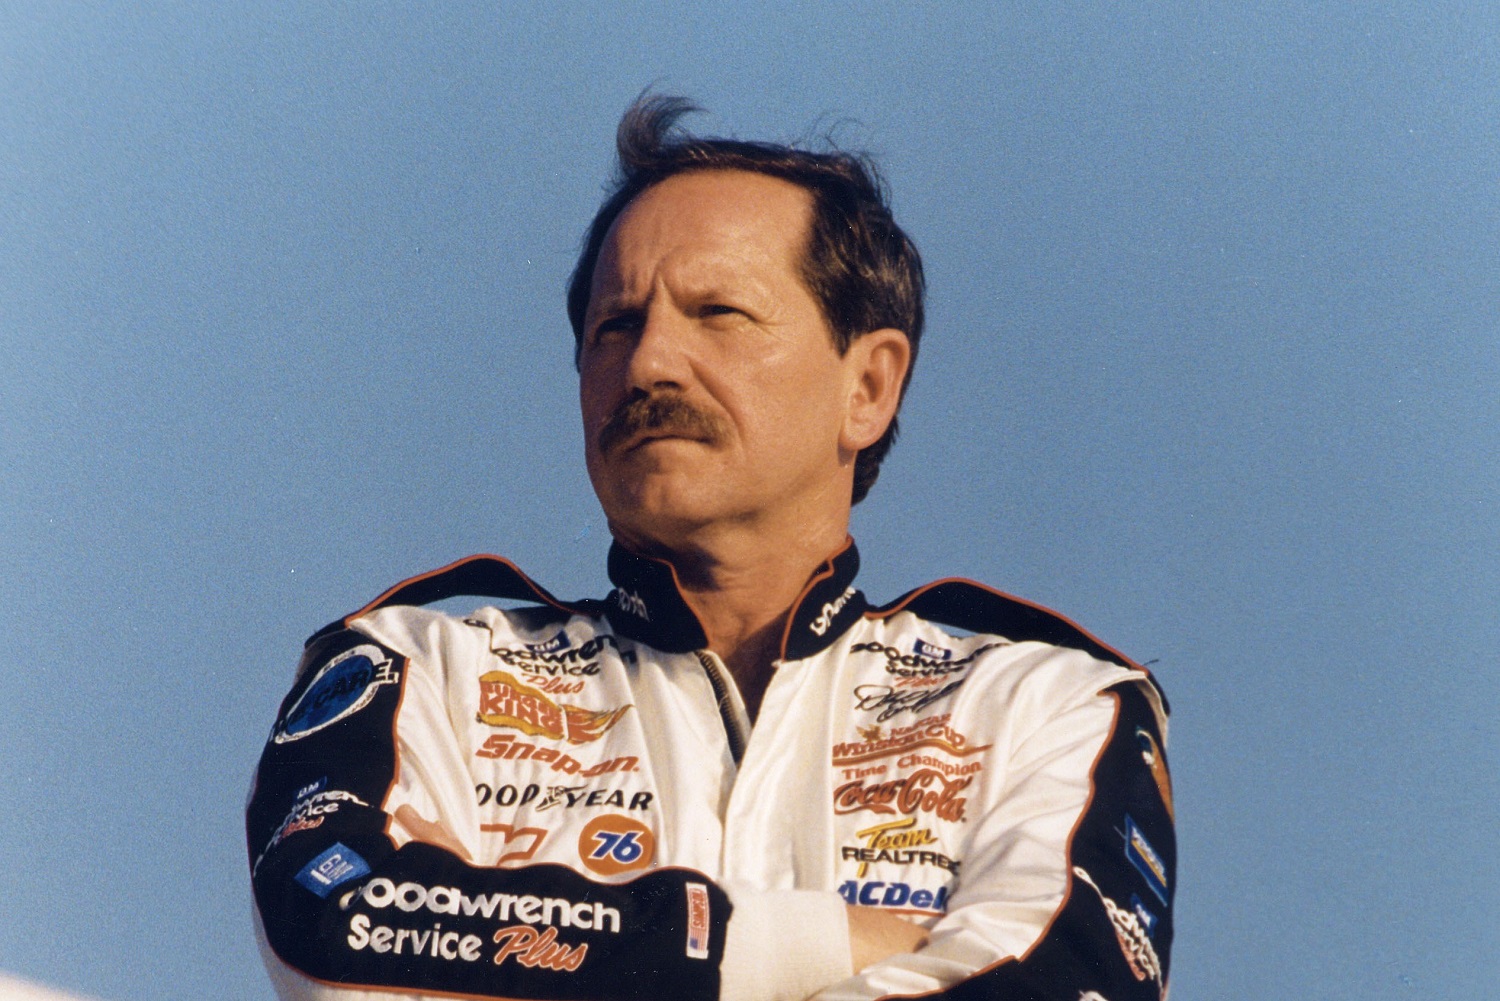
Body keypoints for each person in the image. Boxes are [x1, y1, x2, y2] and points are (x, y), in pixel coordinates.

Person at [247, 95, 1176, 1001]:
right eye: (616, 324)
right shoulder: (420, 665)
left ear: (870, 386)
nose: (648, 362)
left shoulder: (1046, 701)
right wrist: (800, 945)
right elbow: (334, 930)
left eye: (718, 313)